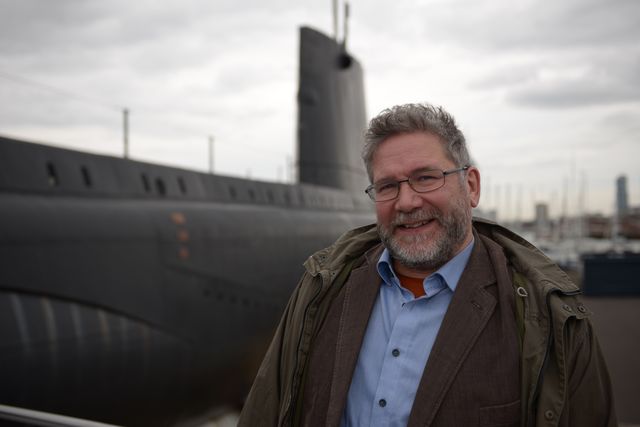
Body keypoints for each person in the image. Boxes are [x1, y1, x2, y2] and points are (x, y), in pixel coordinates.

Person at [238, 103, 616, 427]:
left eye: (426, 178)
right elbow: (267, 407)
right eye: (387, 186)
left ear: (471, 186)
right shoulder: (322, 288)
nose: (406, 202)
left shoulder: (547, 317)